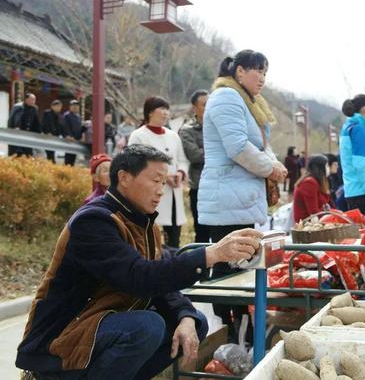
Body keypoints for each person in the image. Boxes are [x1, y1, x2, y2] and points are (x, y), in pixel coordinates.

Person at [16, 145, 262, 380]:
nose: (160, 190)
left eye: (163, 183)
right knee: (146, 326)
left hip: (99, 326)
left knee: (194, 323)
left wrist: (186, 316)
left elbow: (160, 283)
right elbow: (139, 277)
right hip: (60, 337)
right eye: (155, 181)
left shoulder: (144, 224)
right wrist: (211, 254)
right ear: (124, 177)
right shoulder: (93, 221)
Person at [198, 50, 287, 343]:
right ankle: (230, 334)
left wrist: (275, 164)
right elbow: (238, 148)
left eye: (265, 72)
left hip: (240, 200)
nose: (261, 78)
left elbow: (262, 144)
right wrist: (270, 169)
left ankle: (243, 333)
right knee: (228, 271)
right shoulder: (226, 97)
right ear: (238, 72)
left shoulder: (250, 103)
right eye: (256, 71)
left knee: (243, 267)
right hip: (227, 200)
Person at [128, 96, 189, 249]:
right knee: (152, 235)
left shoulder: (173, 135)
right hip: (150, 193)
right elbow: (134, 163)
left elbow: (182, 159)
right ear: (149, 112)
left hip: (174, 191)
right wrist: (163, 177)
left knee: (174, 236)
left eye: (167, 109)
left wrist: (180, 173)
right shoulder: (138, 135)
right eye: (161, 109)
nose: (165, 113)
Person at [339, 94, 365, 217]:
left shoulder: (348, 126)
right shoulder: (359, 128)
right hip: (362, 192)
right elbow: (360, 164)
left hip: (352, 190)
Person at [179, 90, 209, 244]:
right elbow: (195, 156)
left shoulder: (219, 127)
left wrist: (205, 149)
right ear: (194, 107)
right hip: (199, 186)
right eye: (204, 104)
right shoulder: (187, 130)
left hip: (220, 186)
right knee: (202, 232)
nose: (208, 107)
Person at [293, 155, 333, 222]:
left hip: (318, 220)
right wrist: (331, 215)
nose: (328, 168)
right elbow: (313, 211)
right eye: (327, 166)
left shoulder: (321, 182)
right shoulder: (309, 183)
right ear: (320, 168)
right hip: (307, 223)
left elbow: (330, 203)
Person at [62, 100, 84, 166]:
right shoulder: (67, 115)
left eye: (77, 106)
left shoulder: (78, 116)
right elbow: (65, 127)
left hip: (76, 140)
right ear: (70, 107)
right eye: (73, 106)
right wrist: (68, 135)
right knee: (68, 158)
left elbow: (79, 129)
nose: (75, 107)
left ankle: (71, 171)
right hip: (70, 139)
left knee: (73, 158)